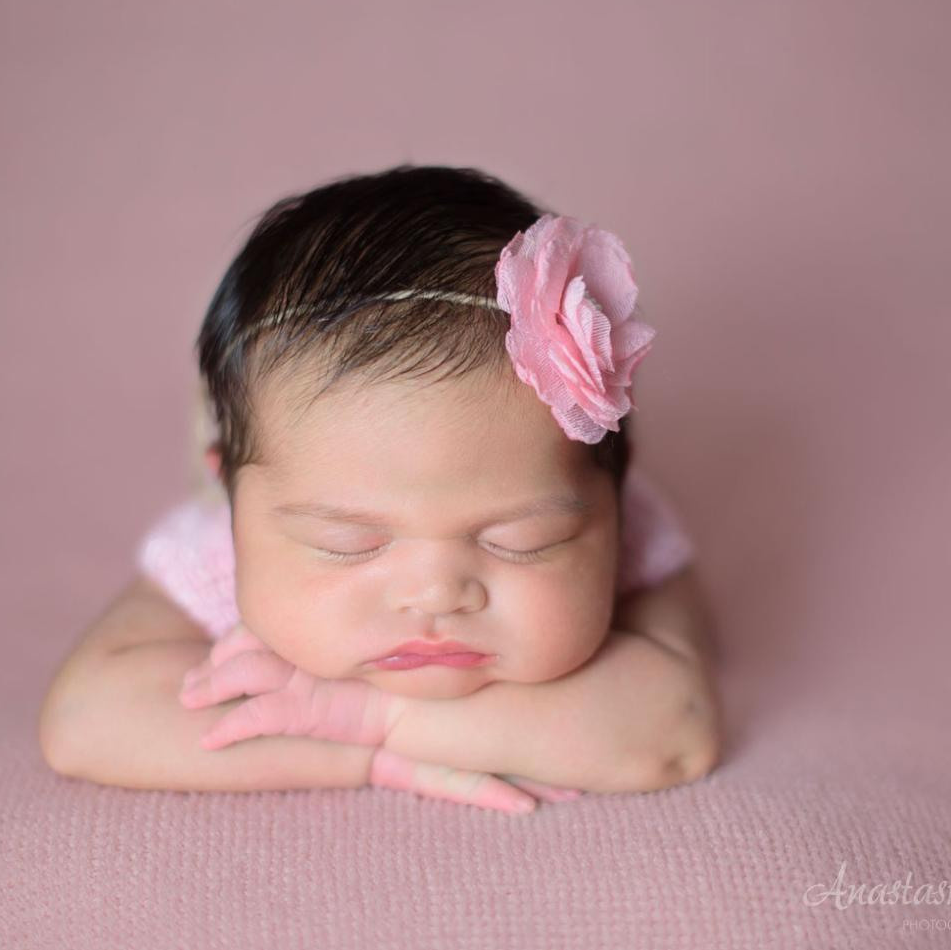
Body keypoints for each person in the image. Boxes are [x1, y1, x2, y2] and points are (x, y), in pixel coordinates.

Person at [38, 164, 723, 814]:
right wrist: (362, 759)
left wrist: (373, 717)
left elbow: (674, 727)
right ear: (235, 509)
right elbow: (85, 719)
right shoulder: (223, 550)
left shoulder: (627, 531)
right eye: (348, 543)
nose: (433, 594)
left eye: (520, 541)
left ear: (612, 502)